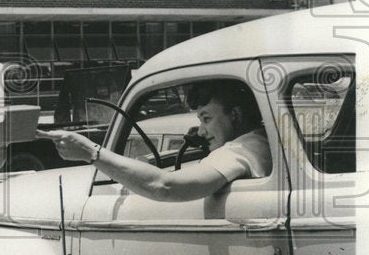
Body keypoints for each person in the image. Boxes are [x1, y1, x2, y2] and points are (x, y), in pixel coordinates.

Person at [45, 80, 272, 202]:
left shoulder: (239, 151)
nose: (201, 131)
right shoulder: (262, 140)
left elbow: (164, 186)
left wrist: (91, 152)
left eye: (207, 118)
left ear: (235, 115)